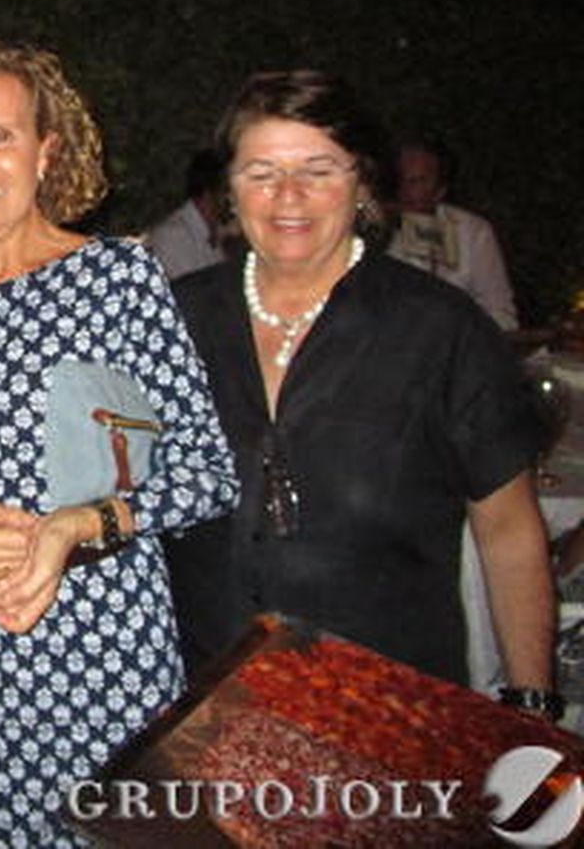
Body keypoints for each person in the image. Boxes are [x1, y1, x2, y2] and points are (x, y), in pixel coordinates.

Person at [0, 37, 238, 848]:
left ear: (46, 151)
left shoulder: (117, 280)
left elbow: (206, 472)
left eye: (0, 134)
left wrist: (77, 526)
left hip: (103, 651)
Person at [166, 71, 557, 712]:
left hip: (389, 717)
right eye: (261, 172)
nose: (288, 196)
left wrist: (533, 705)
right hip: (209, 717)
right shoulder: (174, 321)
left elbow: (509, 531)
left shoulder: (440, 330)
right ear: (229, 191)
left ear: (362, 185)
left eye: (319, 170)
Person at [389, 134, 519, 330]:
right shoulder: (367, 230)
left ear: (440, 190)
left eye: (416, 182)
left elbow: (501, 314)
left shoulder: (473, 232)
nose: (403, 190)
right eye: (399, 179)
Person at [144, 146, 229, 279]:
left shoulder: (213, 233)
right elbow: (196, 295)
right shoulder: (173, 236)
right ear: (209, 194)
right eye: (229, 191)